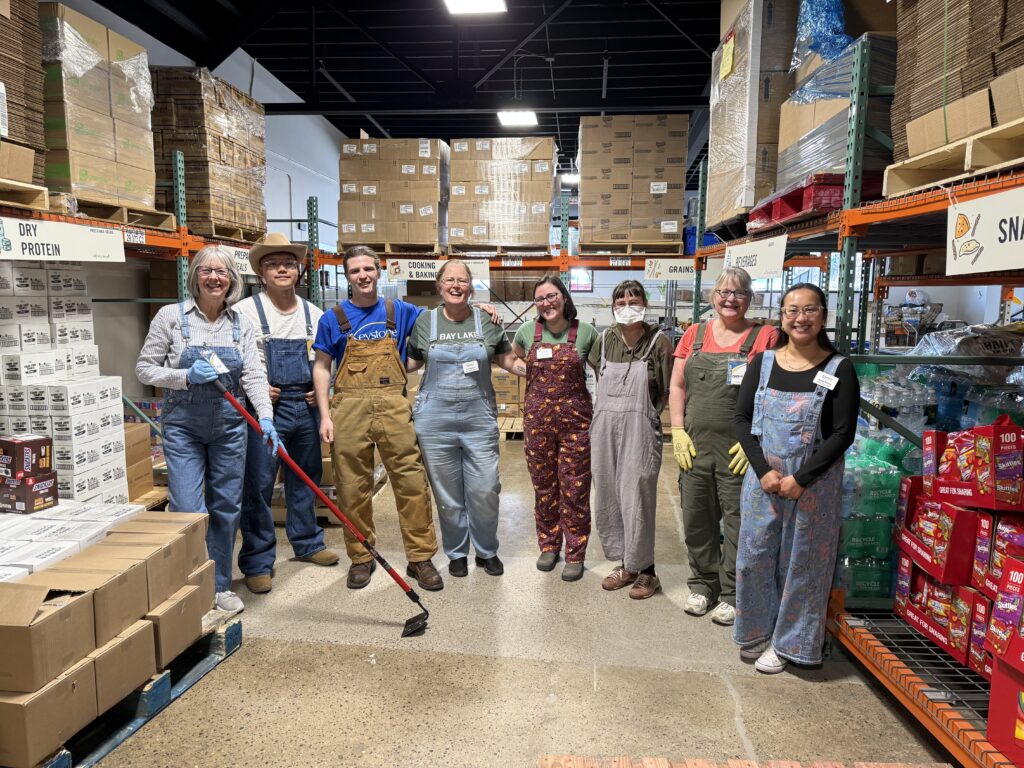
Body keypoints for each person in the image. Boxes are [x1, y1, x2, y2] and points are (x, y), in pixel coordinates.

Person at [311, 245, 500, 592]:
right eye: (355, 271)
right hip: (348, 408)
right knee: (353, 487)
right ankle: (361, 558)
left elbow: (449, 312)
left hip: (393, 407)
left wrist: (480, 310)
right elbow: (322, 367)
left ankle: (420, 558)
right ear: (347, 276)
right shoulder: (331, 317)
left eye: (369, 268)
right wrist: (325, 415)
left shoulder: (404, 312)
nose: (363, 276)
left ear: (379, 271)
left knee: (412, 484)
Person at [136, 245, 281, 614]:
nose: (215, 277)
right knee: (187, 506)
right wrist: (184, 376)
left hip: (231, 427)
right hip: (184, 425)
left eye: (222, 271)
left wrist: (265, 416)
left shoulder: (241, 325)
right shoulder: (171, 317)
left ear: (232, 279)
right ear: (195, 275)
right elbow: (144, 369)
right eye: (207, 270)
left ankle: (217, 585)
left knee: (227, 507)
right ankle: (190, 581)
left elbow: (252, 374)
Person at [732, 282, 859, 674]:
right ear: (782, 317)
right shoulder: (764, 363)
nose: (800, 318)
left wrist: (801, 478)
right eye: (792, 310)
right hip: (764, 481)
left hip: (813, 484)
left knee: (800, 563)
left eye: (810, 310)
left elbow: (842, 433)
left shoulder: (838, 368)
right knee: (754, 557)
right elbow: (742, 420)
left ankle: (791, 644)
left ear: (823, 316)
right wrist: (763, 470)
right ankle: (756, 628)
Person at [668, 267, 777, 625]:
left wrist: (755, 441)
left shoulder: (765, 337)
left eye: (739, 293)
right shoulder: (694, 334)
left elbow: (772, 394)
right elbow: (678, 387)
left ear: (750, 298)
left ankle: (731, 593)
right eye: (724, 292)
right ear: (713, 296)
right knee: (696, 517)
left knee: (738, 521)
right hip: (695, 445)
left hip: (738, 451)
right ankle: (702, 585)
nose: (730, 299)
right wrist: (677, 430)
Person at [234, 233, 339, 597]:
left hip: (305, 406)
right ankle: (258, 562)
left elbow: (330, 359)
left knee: (305, 477)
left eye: (288, 263)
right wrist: (256, 390)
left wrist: (323, 389)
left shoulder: (316, 314)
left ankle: (308, 543)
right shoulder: (245, 312)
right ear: (261, 273)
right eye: (272, 264)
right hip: (266, 409)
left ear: (298, 271)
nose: (281, 268)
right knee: (259, 484)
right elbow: (237, 360)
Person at [406, 260, 524, 578]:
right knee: (447, 493)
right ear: (439, 286)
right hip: (434, 419)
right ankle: (457, 552)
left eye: (462, 280)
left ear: (471, 287)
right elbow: (410, 364)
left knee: (485, 488)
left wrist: (544, 371)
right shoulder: (425, 322)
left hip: (478, 417)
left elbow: (508, 360)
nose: (455, 285)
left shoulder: (487, 320)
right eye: (449, 280)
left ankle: (486, 550)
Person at [588, 280, 672, 599]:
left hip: (640, 427)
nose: (627, 303)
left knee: (637, 495)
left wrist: (650, 415)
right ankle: (626, 564)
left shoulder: (659, 342)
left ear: (644, 303)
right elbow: (598, 375)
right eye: (620, 299)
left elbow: (665, 390)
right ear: (613, 306)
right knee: (609, 493)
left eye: (633, 298)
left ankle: (647, 571)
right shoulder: (603, 340)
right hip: (606, 426)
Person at [513, 275, 599, 582]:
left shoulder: (586, 332)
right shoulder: (527, 332)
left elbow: (603, 372)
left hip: (577, 423)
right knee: (544, 487)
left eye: (551, 296)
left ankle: (575, 552)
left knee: (575, 488)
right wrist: (527, 371)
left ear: (563, 297)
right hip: (538, 422)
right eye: (540, 299)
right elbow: (512, 359)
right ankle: (549, 545)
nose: (546, 303)